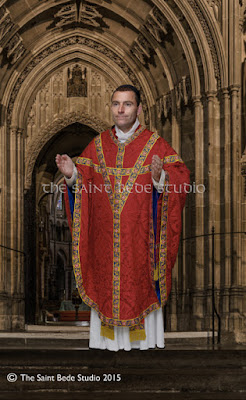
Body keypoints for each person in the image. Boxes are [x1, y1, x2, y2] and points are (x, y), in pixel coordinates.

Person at [55, 84, 190, 351]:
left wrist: (160, 177)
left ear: (138, 108)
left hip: (142, 240)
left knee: (140, 285)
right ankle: (107, 341)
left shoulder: (156, 144)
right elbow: (83, 187)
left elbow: (182, 179)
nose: (120, 109)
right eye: (116, 103)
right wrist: (72, 175)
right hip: (105, 244)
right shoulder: (97, 146)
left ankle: (143, 342)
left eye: (127, 104)